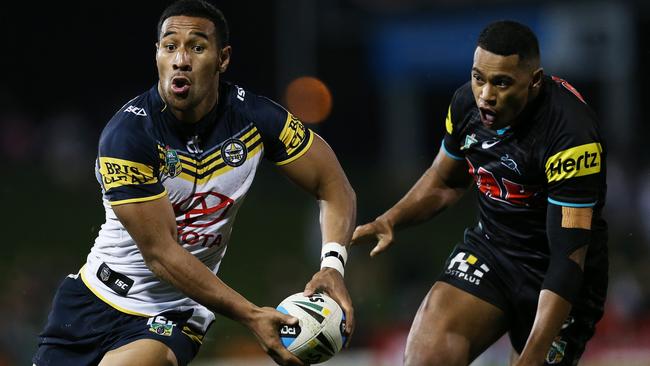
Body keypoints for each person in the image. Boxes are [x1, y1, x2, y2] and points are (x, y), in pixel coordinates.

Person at [33, 1, 356, 365]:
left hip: (175, 313)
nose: (181, 59)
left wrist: (332, 264)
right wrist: (251, 314)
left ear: (223, 58)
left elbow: (333, 183)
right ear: (157, 54)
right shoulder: (127, 136)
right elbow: (161, 254)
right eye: (170, 46)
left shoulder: (257, 119)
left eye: (197, 47)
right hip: (91, 301)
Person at [353, 20, 607, 366]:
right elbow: (444, 181)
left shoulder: (571, 136)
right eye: (479, 78)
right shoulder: (465, 106)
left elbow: (568, 258)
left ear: (534, 81)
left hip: (557, 274)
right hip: (492, 252)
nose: (486, 94)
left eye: (502, 83)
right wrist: (391, 219)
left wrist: (531, 358)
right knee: (425, 357)